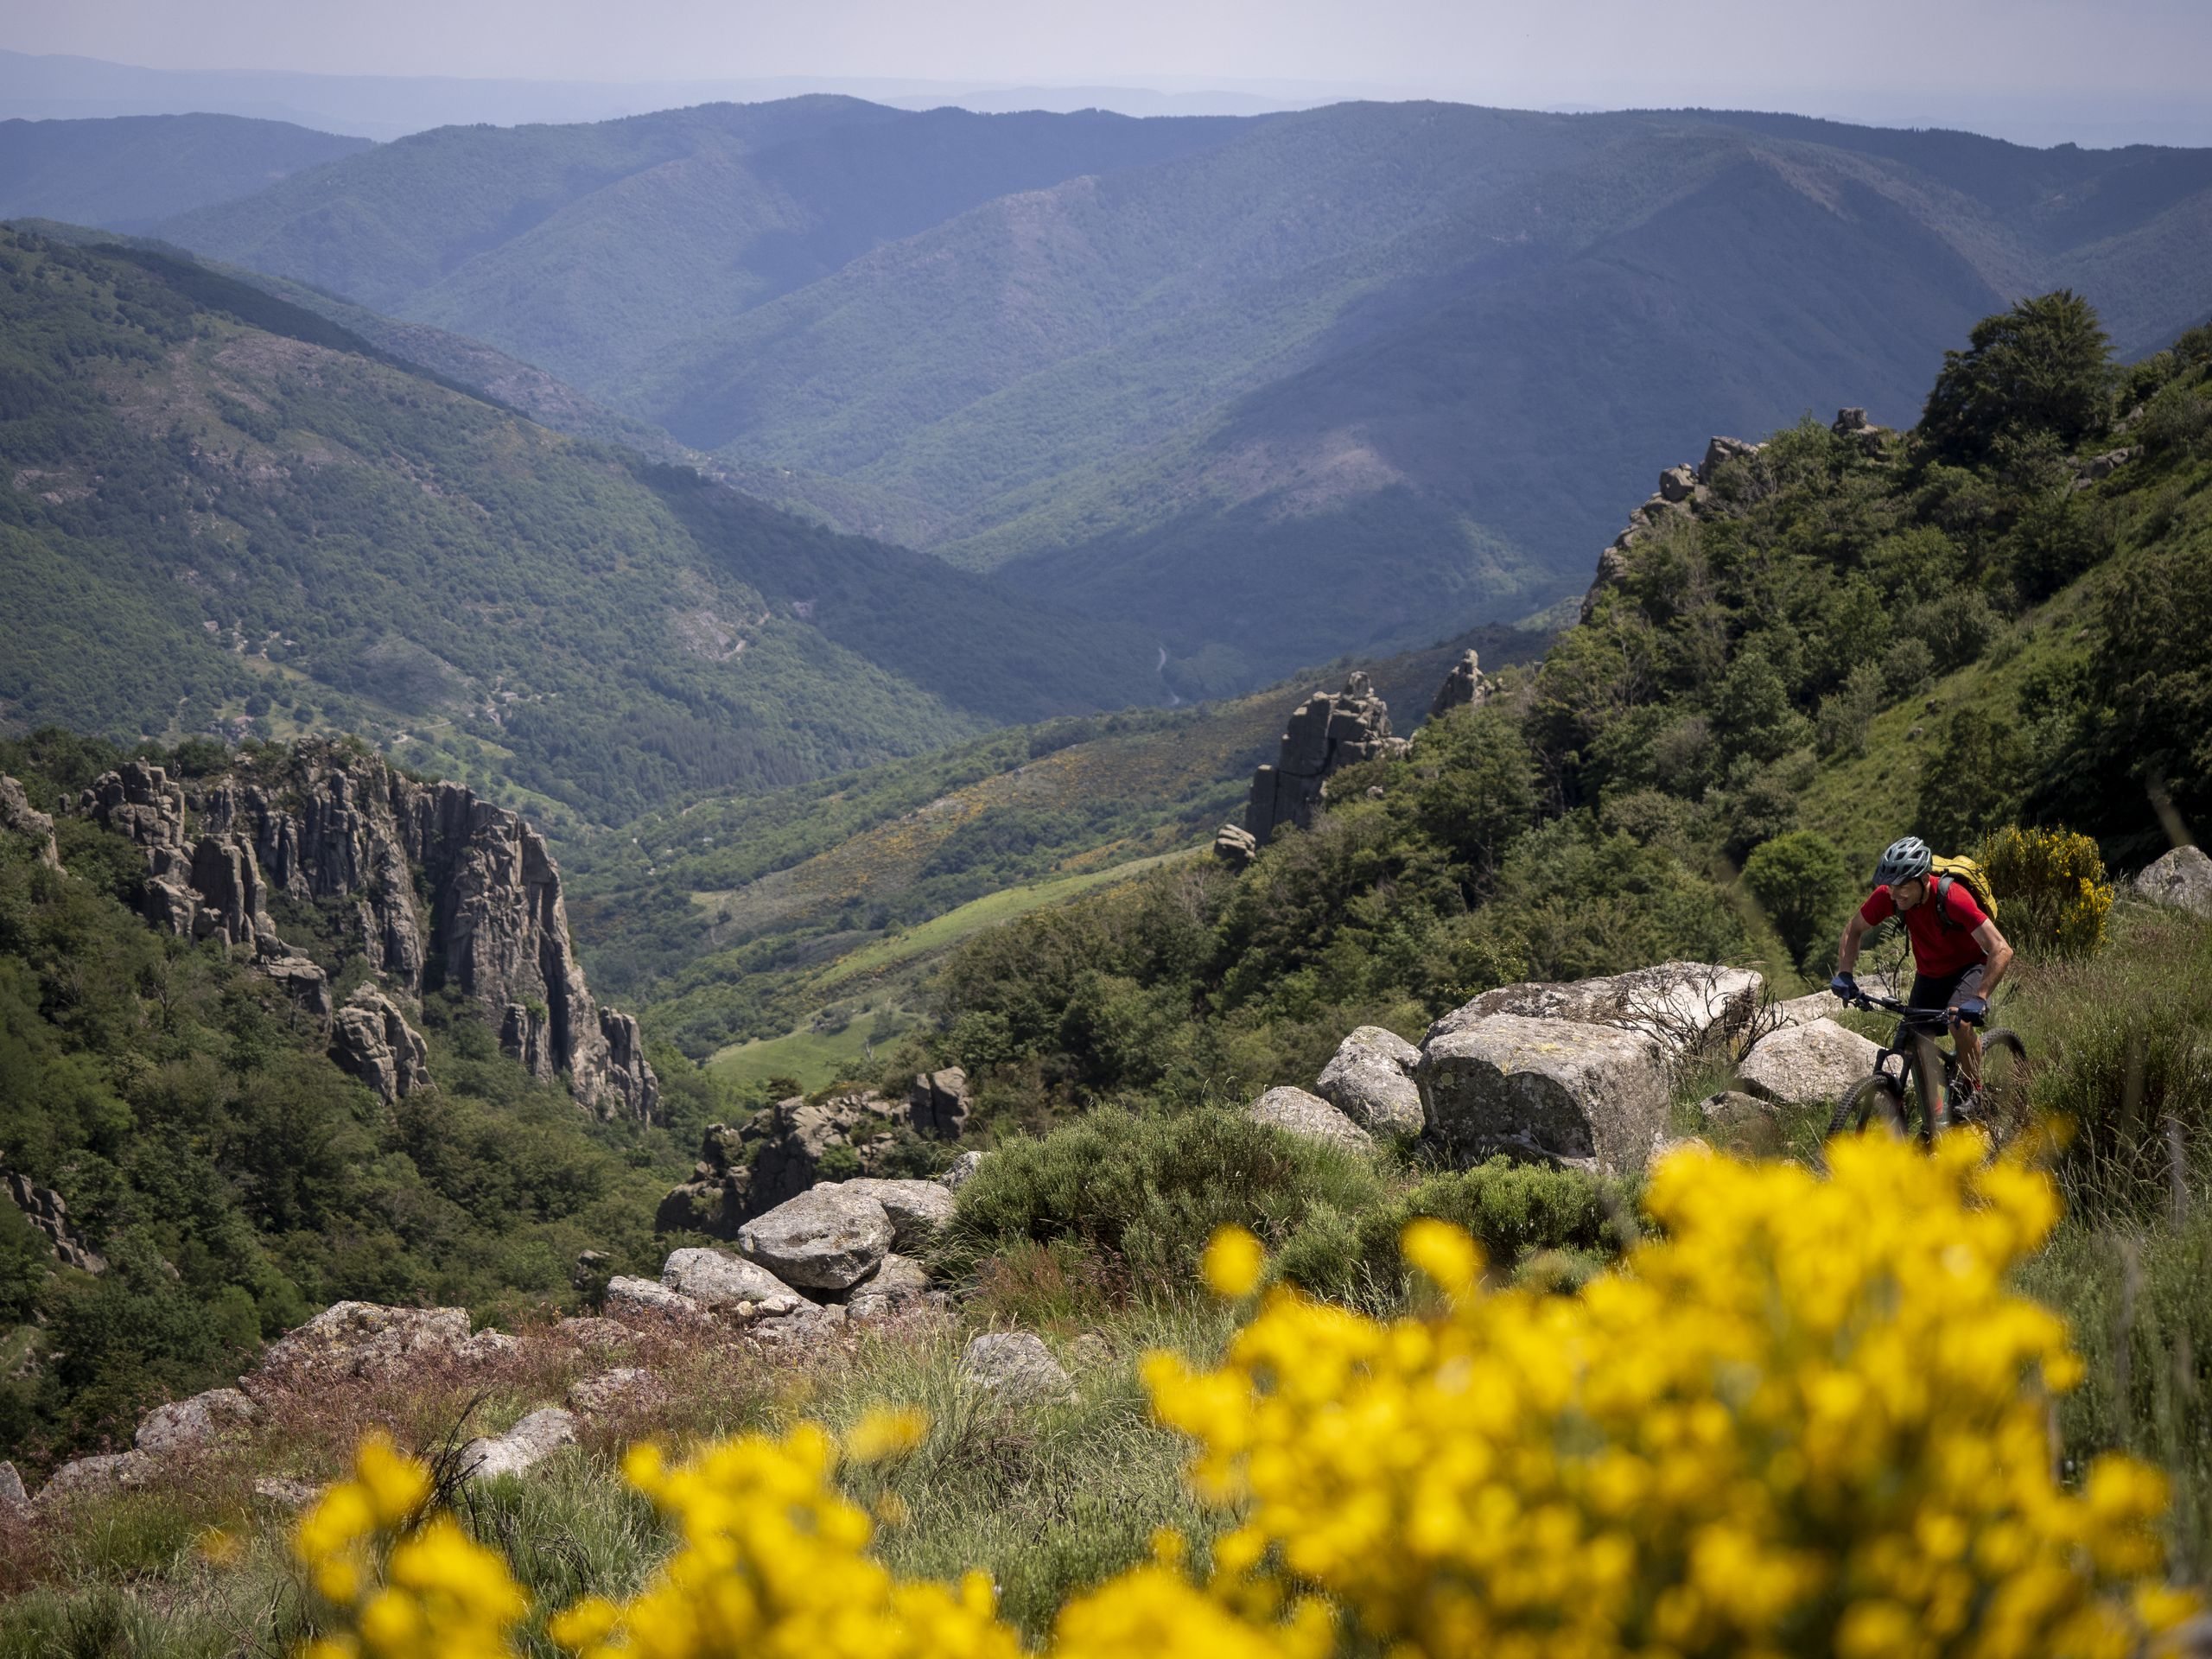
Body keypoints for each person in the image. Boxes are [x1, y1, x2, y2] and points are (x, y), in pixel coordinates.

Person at [1830, 836, 2014, 1121]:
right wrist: (1845, 973)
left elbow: (2001, 949)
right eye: (1891, 886)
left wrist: (1980, 998)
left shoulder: (1954, 898)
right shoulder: (1889, 897)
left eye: (1903, 886)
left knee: (1959, 1022)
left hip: (1970, 967)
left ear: (1922, 879)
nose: (1894, 894)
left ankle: (1975, 1088)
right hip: (1930, 973)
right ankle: (1935, 1121)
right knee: (1913, 1041)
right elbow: (1853, 929)